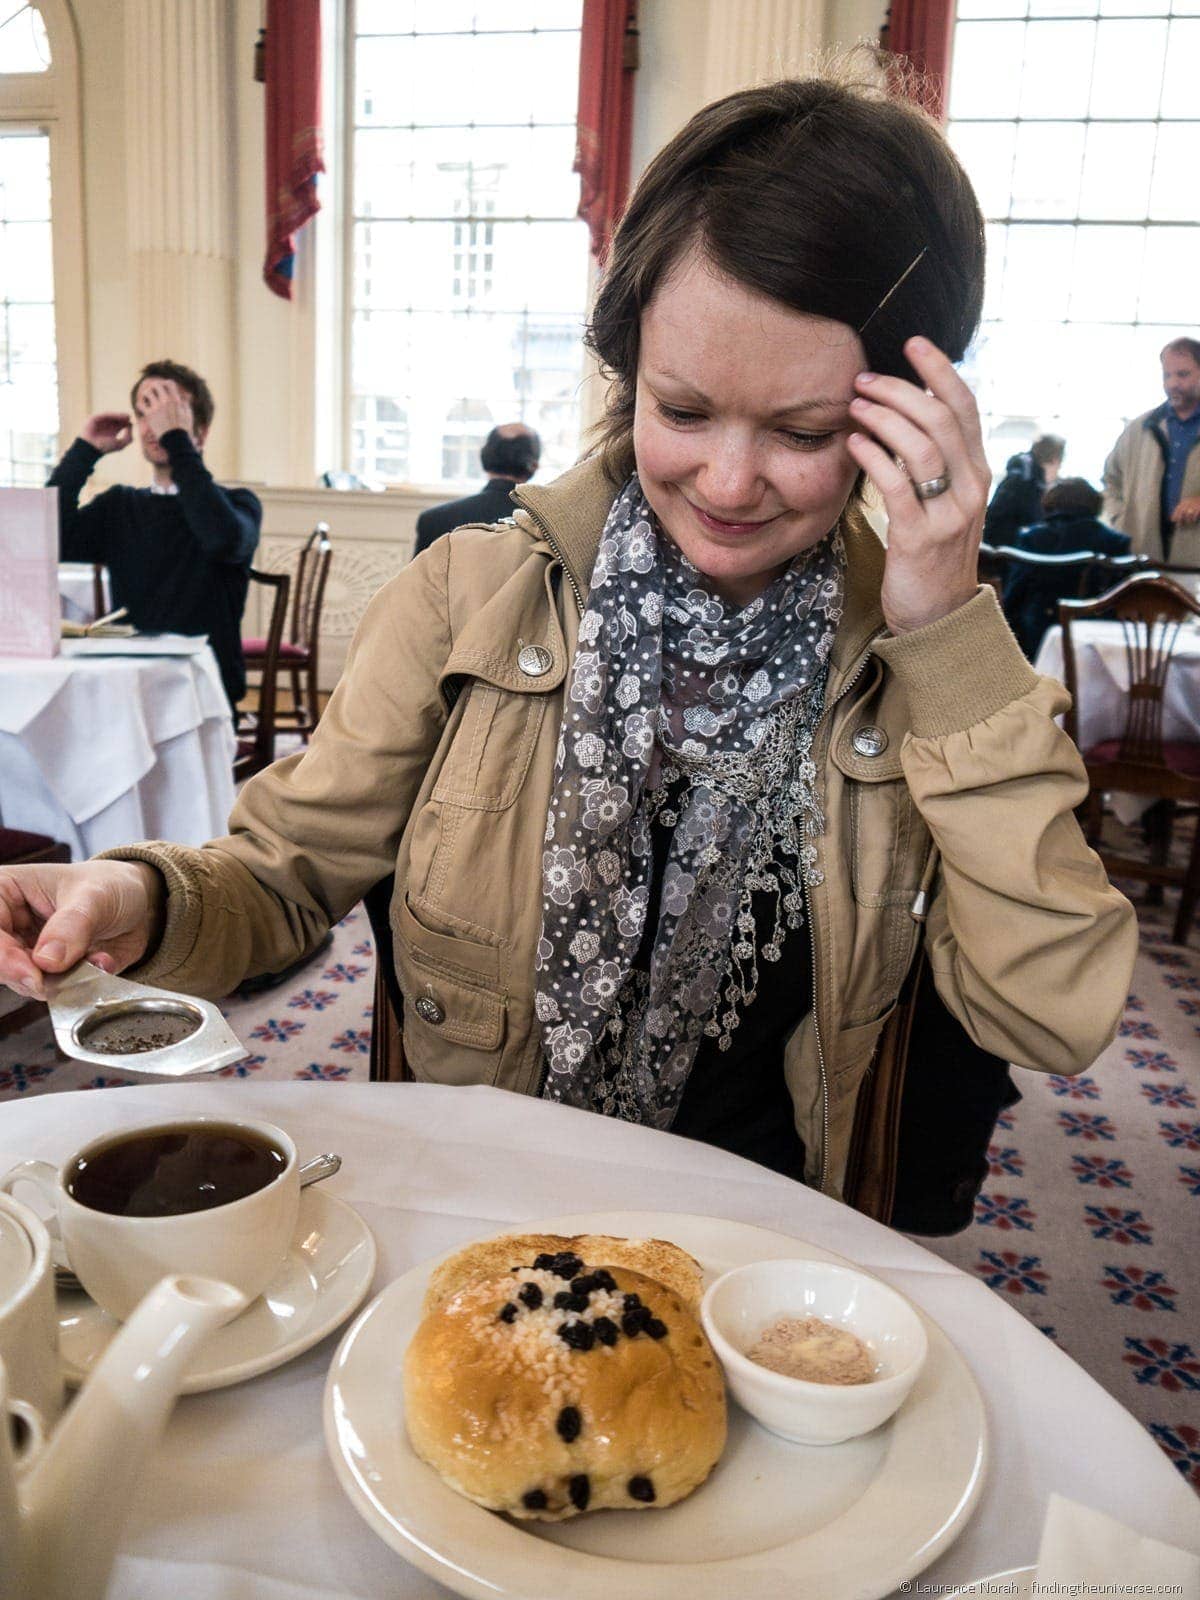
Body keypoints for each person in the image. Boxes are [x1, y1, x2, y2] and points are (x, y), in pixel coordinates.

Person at [0, 73, 1136, 1201]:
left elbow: (1045, 1013)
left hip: (762, 1253)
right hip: (479, 1208)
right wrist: (138, 897)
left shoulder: (928, 672)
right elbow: (282, 877)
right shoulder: (470, 598)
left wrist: (944, 638)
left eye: (804, 429)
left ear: (908, 413)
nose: (729, 482)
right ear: (626, 367)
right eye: (681, 410)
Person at [47, 359, 262, 715]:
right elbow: (49, 539)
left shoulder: (238, 504)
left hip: (203, 690)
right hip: (129, 685)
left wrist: (178, 441)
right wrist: (84, 452)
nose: (155, 425)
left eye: (170, 411)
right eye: (146, 412)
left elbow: (221, 539)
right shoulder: (120, 506)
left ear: (202, 432)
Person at [1000, 478, 1131, 661]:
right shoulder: (1115, 541)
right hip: (1095, 639)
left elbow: (1015, 593)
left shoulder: (1032, 538)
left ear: (1051, 502)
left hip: (1036, 636)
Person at [1103, 337, 1200, 564]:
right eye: (1167, 375)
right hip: (1142, 559)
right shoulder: (1139, 429)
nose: (1172, 384)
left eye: (1183, 374)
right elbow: (1110, 480)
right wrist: (1121, 518)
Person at [413, 423, 541, 556]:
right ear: (534, 466)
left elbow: (416, 576)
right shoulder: (544, 525)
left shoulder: (434, 520)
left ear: (483, 457)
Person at [982, 433, 1064, 548]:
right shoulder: (1028, 481)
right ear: (1055, 461)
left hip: (996, 547)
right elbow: (1033, 519)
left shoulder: (1020, 473)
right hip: (1010, 552)